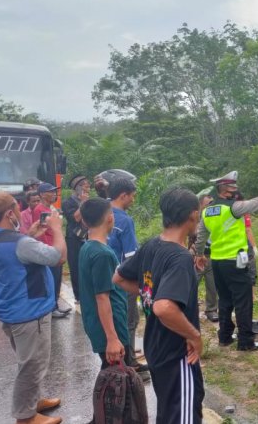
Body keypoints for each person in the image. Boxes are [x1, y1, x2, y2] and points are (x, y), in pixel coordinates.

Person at [114, 187, 205, 424]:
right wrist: (194, 335)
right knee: (183, 415)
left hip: (155, 345)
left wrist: (149, 294)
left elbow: (120, 278)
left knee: (169, 412)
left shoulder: (152, 245)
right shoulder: (179, 257)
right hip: (177, 353)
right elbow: (164, 308)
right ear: (193, 215)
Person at [0, 191, 66, 424]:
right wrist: (57, 228)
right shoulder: (21, 243)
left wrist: (28, 235)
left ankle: (33, 400)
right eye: (17, 208)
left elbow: (9, 260)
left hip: (8, 308)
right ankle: (25, 416)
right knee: (32, 364)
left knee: (27, 359)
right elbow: (57, 257)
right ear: (10, 213)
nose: (20, 211)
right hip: (30, 312)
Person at [194, 171, 258, 351]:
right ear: (224, 189)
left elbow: (201, 237)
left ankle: (224, 337)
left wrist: (199, 255)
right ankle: (246, 341)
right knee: (243, 302)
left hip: (217, 262)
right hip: (235, 261)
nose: (235, 191)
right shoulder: (234, 208)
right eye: (233, 187)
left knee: (225, 300)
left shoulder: (208, 211)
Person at [77, 198, 130, 371]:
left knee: (112, 377)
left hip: (99, 324)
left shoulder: (87, 247)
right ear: (110, 218)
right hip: (111, 328)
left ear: (84, 221)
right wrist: (113, 338)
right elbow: (102, 297)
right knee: (117, 381)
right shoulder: (102, 254)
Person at [107, 177, 144, 366]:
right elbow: (131, 257)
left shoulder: (101, 213)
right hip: (122, 278)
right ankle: (130, 363)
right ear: (123, 195)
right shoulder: (124, 220)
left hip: (104, 278)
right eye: (132, 196)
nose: (133, 200)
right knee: (130, 320)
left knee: (113, 320)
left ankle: (118, 356)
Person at [32, 183, 71, 318]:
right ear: (42, 194)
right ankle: (51, 307)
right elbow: (41, 232)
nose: (54, 194)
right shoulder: (39, 210)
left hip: (56, 247)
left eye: (55, 191)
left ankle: (55, 305)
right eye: (51, 192)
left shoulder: (51, 208)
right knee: (52, 279)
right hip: (49, 249)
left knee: (57, 278)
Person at [61, 175, 90, 303]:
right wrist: (83, 203)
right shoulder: (68, 202)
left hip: (87, 236)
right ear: (77, 187)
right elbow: (75, 218)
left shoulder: (89, 200)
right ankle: (78, 296)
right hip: (73, 238)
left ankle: (88, 292)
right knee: (75, 267)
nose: (88, 187)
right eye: (85, 185)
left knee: (87, 266)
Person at [192, 189, 218, 323]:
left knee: (212, 285)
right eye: (208, 204)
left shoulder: (216, 219)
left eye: (212, 203)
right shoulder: (195, 221)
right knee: (191, 283)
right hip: (197, 257)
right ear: (201, 206)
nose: (210, 206)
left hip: (212, 256)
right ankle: (189, 307)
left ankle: (211, 310)